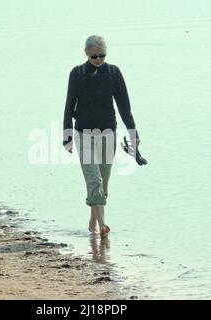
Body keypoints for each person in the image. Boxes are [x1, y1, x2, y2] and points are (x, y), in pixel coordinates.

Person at [63, 35, 140, 238]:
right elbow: (69, 105)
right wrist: (67, 135)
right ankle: (103, 225)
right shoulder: (77, 73)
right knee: (94, 180)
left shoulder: (113, 73)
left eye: (102, 55)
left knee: (103, 184)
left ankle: (93, 219)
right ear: (86, 54)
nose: (98, 59)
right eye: (94, 56)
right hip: (83, 134)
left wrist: (133, 133)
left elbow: (124, 107)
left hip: (108, 134)